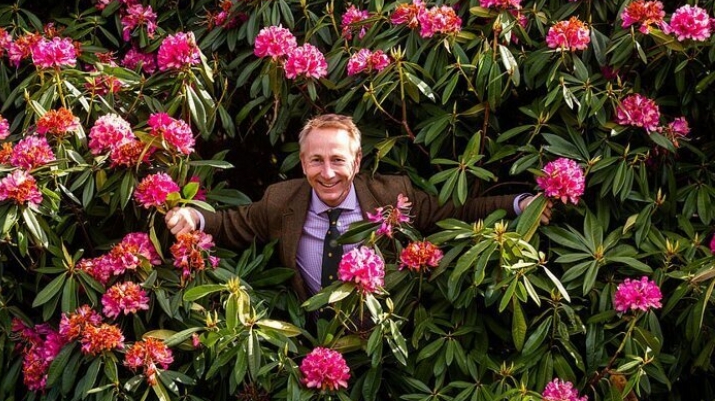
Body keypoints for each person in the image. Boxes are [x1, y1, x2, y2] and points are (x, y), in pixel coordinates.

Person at [166, 114, 550, 301]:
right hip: (313, 339)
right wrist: (192, 215)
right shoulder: (282, 201)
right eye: (316, 161)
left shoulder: (392, 196)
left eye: (338, 159)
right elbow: (231, 223)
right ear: (302, 163)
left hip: (383, 341)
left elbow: (456, 213)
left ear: (357, 161)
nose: (327, 173)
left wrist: (521, 204)